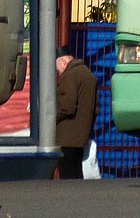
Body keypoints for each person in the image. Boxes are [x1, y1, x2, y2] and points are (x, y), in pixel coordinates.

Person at [55, 45, 97, 180]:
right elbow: (95, 108)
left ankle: (69, 200)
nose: (58, 72)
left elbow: (67, 106)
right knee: (77, 171)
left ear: (62, 61)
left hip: (67, 136)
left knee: (67, 173)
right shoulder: (87, 73)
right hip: (81, 135)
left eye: (57, 67)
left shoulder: (70, 75)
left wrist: (50, 119)